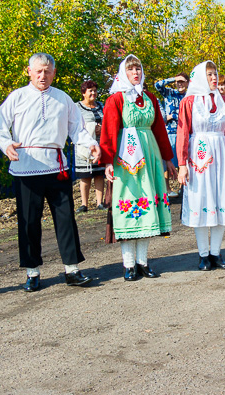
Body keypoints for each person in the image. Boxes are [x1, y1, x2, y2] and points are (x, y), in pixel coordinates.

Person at [0, 53, 98, 292]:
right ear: (28, 71)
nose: (43, 76)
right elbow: (0, 128)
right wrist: (7, 144)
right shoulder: (17, 97)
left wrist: (90, 144)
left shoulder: (63, 99)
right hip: (26, 167)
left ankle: (72, 269)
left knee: (65, 219)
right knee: (29, 221)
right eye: (38, 71)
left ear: (54, 72)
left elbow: (78, 131)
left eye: (47, 71)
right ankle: (32, 272)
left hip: (56, 166)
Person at [100, 55, 177, 281]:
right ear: (123, 73)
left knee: (149, 205)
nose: (136, 72)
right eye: (131, 69)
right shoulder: (116, 99)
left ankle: (143, 262)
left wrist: (168, 159)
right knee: (130, 203)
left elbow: (160, 130)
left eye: (138, 68)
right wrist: (107, 161)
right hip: (126, 160)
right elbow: (109, 131)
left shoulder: (151, 98)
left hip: (150, 156)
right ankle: (128, 265)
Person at [176, 61, 225, 271]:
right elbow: (183, 134)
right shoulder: (189, 101)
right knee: (201, 201)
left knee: (221, 200)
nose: (214, 78)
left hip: (221, 157)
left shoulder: (224, 102)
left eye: (215, 74)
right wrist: (182, 164)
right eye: (209, 74)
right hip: (198, 157)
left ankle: (216, 252)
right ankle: (203, 254)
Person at [75, 80, 106, 213]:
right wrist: (91, 128)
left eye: (94, 90)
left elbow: (108, 120)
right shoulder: (77, 107)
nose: (93, 93)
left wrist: (102, 128)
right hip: (84, 146)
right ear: (83, 93)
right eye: (90, 91)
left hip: (100, 144)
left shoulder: (101, 106)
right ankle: (84, 204)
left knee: (99, 174)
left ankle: (100, 202)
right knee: (85, 175)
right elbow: (75, 125)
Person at [154, 72, 188, 168]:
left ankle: (183, 183)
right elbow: (157, 85)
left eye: (182, 81)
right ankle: (166, 183)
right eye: (178, 82)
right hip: (170, 132)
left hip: (184, 133)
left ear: (187, 83)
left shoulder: (189, 96)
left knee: (184, 162)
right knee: (167, 163)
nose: (180, 84)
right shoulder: (169, 92)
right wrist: (174, 78)